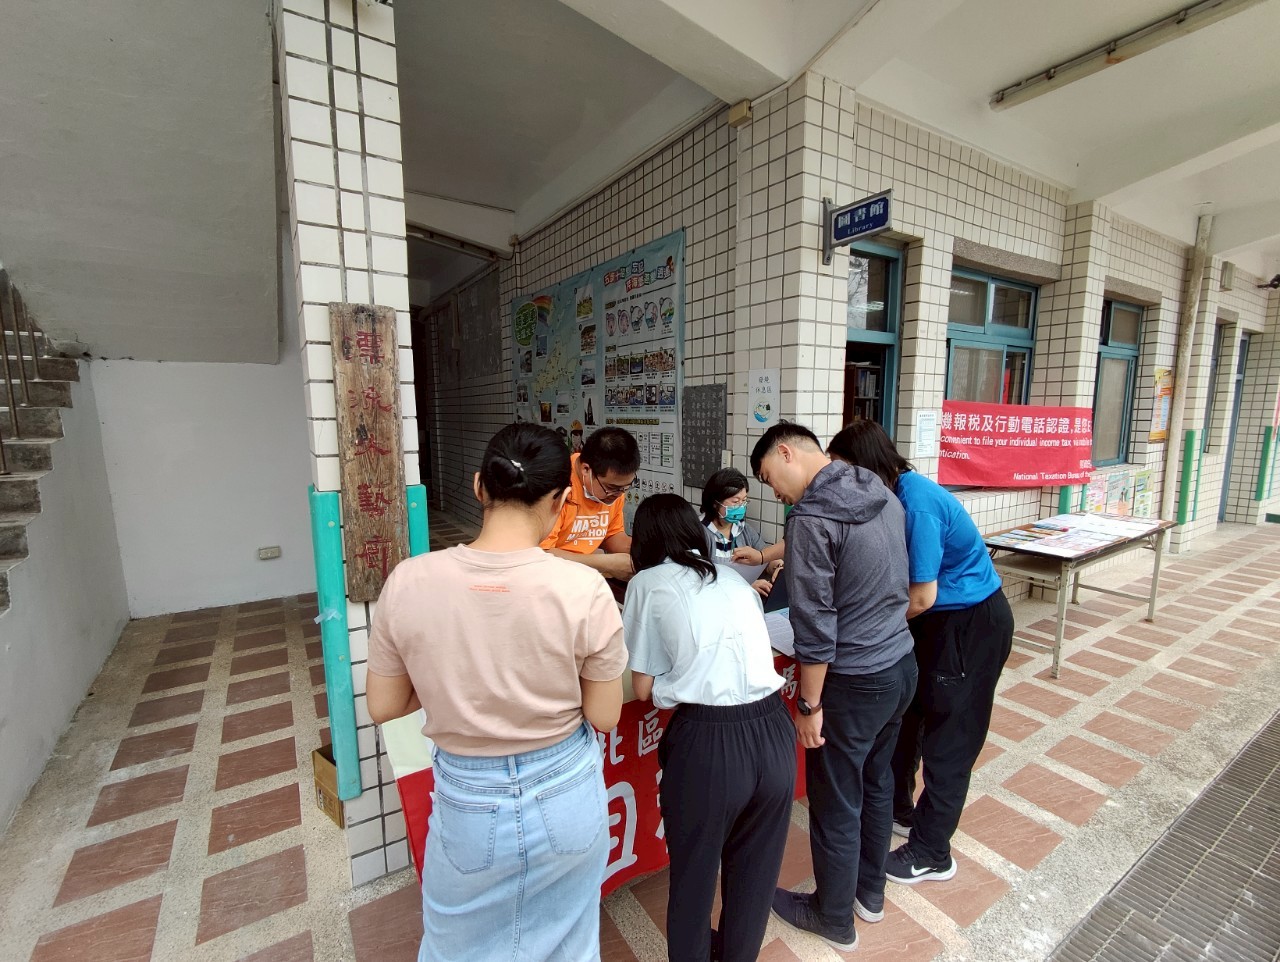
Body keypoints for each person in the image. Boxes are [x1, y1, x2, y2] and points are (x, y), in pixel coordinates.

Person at [365, 423, 627, 962]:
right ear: (558, 501)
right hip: (565, 790)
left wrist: (448, 678)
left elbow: (385, 704)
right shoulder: (583, 589)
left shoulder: (409, 581)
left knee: (455, 947)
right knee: (569, 945)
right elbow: (604, 716)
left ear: (480, 486)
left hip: (466, 796)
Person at [750, 422, 916, 952]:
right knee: (876, 784)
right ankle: (869, 893)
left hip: (854, 680)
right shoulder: (878, 490)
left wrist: (809, 703)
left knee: (836, 799)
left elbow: (815, 624)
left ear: (785, 452)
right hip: (900, 666)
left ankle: (832, 915)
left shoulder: (813, 518)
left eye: (768, 476)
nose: (772, 490)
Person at [828, 420, 1013, 886]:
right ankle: (899, 808)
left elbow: (921, 597)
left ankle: (932, 851)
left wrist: (860, 631)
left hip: (967, 625)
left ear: (867, 465)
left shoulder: (918, 503)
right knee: (910, 717)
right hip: (936, 625)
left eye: (844, 469)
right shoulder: (889, 499)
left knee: (950, 738)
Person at [623, 494, 795, 962]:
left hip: (710, 742)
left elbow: (641, 688)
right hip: (775, 729)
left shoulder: (647, 583)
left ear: (646, 538)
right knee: (754, 872)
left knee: (695, 877)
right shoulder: (733, 578)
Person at [541, 425, 640, 582]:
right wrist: (606, 564)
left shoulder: (614, 488)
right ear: (586, 469)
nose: (618, 495)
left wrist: (646, 552)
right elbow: (542, 555)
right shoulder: (554, 485)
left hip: (584, 581)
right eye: (611, 488)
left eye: (625, 487)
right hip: (551, 581)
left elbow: (612, 535)